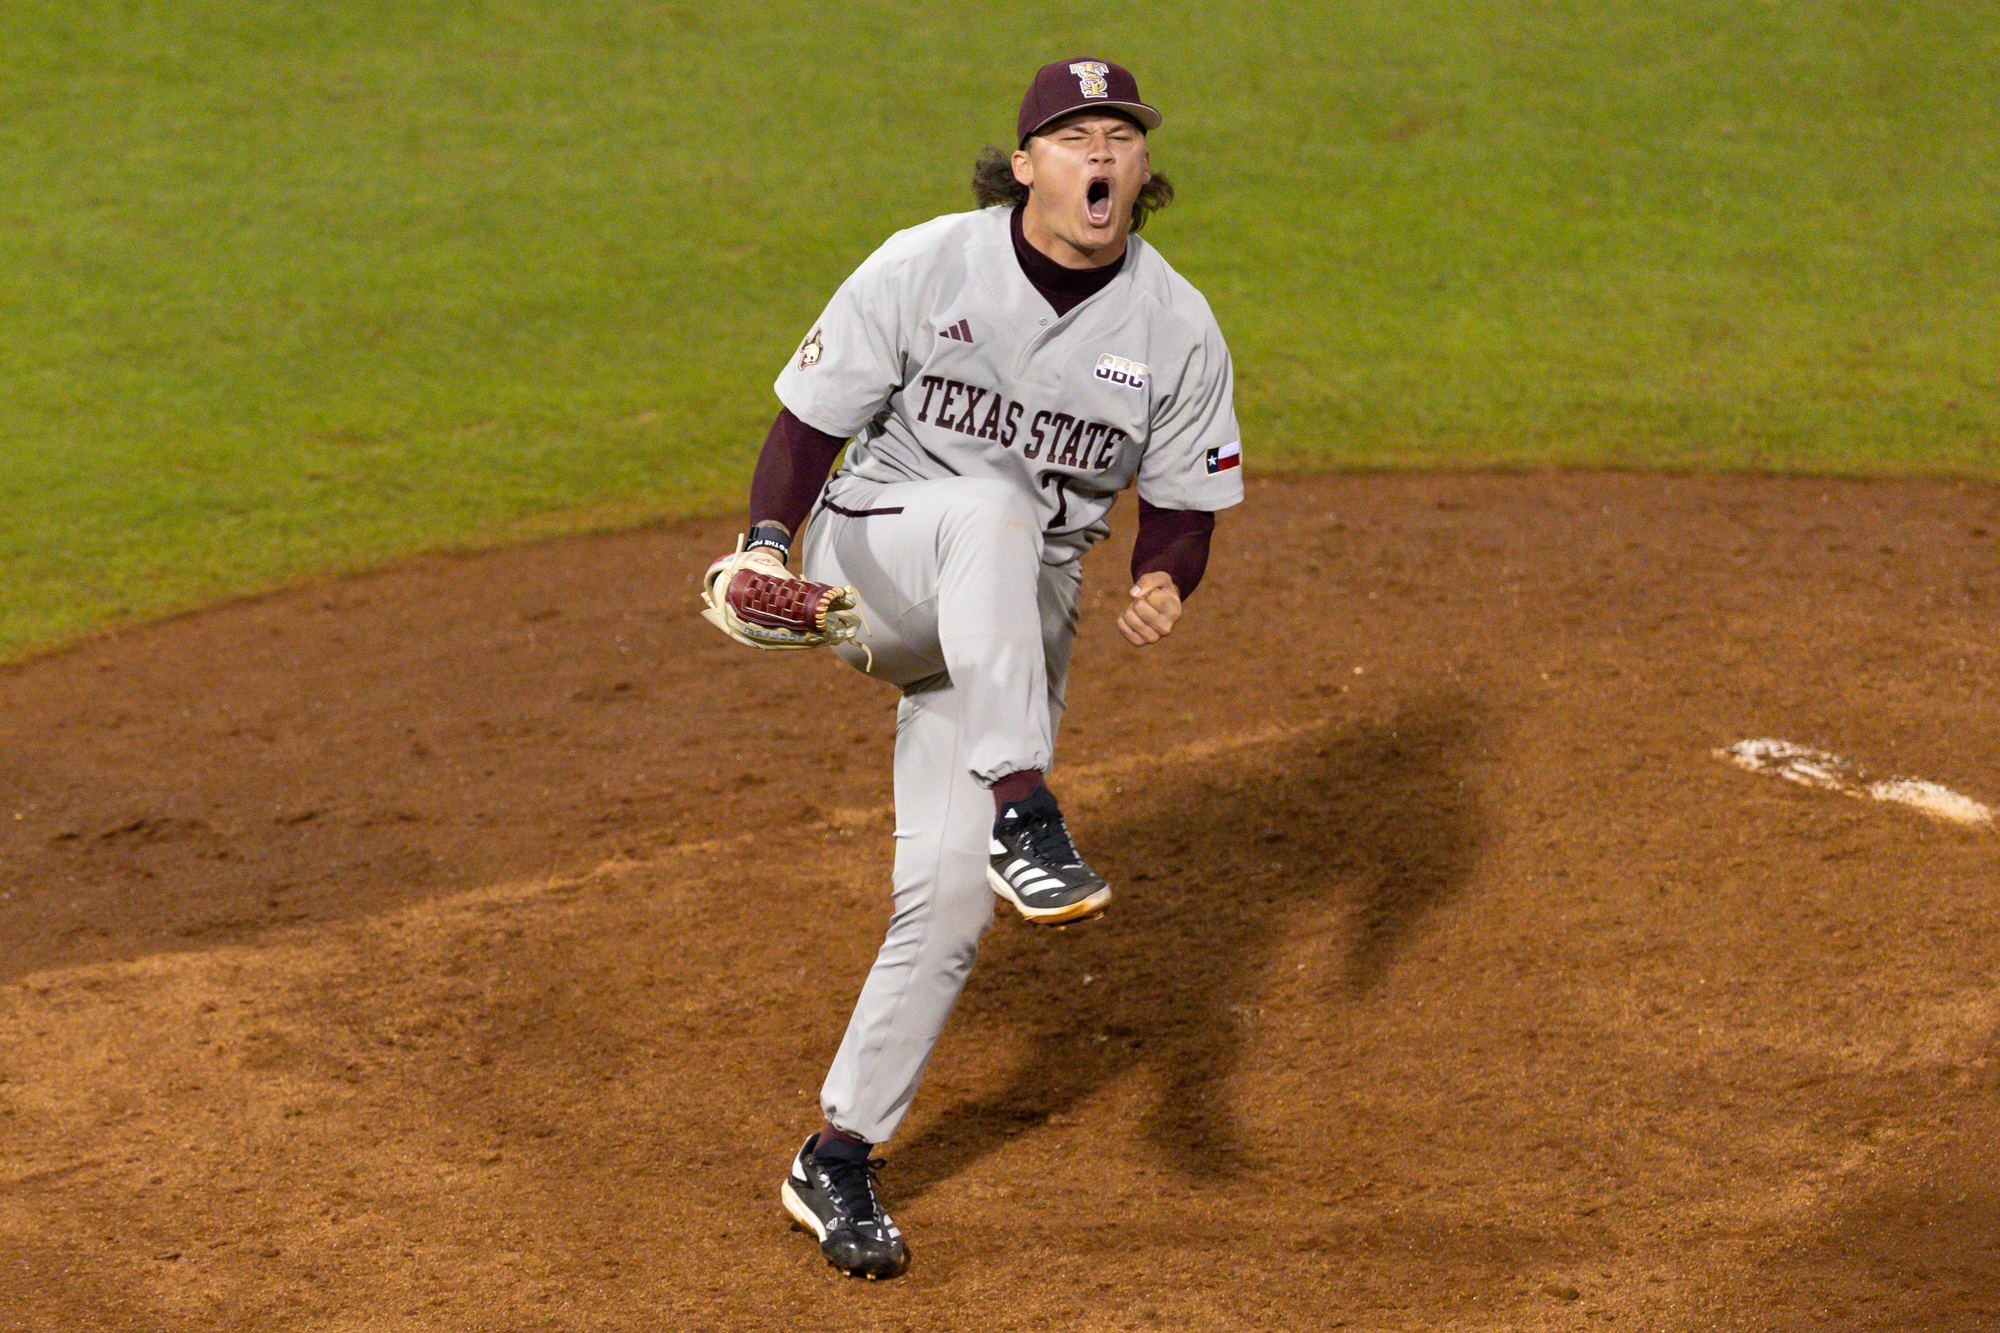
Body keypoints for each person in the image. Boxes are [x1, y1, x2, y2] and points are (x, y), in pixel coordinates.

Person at [718, 58, 1243, 1279]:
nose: (1099, 156)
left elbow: (1183, 502)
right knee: (993, 510)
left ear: (1140, 171)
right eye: (1072, 137)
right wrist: (759, 543)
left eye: (1118, 136)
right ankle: (1026, 805)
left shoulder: (1174, 324)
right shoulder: (925, 264)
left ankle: (835, 1154)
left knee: (948, 901)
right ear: (1025, 165)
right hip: (881, 550)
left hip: (1012, 618)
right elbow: (808, 421)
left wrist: (1166, 576)